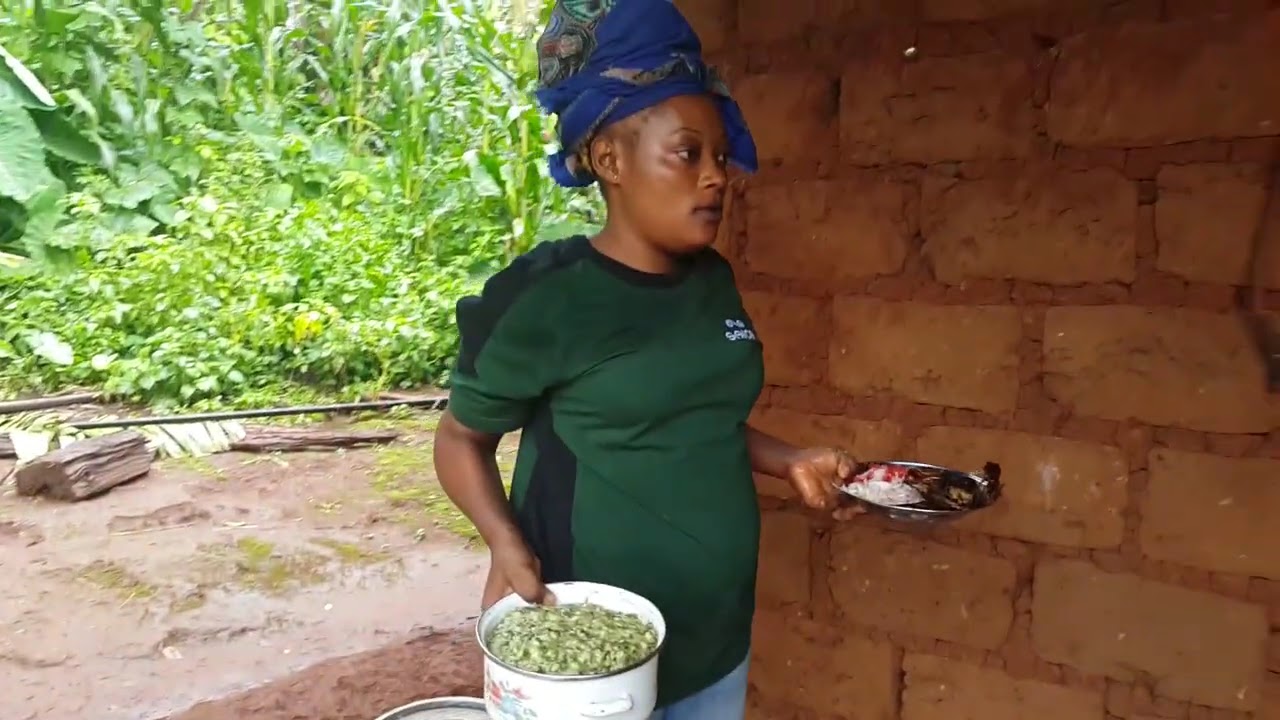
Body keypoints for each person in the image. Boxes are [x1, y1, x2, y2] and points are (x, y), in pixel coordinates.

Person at [432, 1, 861, 717]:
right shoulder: (550, 300)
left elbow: (696, 420)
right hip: (586, 647)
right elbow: (459, 439)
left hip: (714, 637)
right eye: (687, 153)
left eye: (721, 156)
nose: (717, 177)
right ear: (610, 160)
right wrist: (505, 543)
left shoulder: (712, 283)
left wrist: (790, 460)